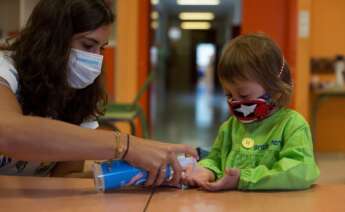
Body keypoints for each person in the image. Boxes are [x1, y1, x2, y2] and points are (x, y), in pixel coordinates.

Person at [0, 0, 197, 187]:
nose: (96, 59)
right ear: (51, 39)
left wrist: (135, 174)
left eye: (101, 48)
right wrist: (127, 146)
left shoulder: (78, 92)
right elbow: (7, 133)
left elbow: (64, 176)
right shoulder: (5, 69)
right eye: (87, 45)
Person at [182, 33, 320, 191]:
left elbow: (300, 170)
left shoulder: (293, 125)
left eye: (244, 95)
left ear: (275, 91)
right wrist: (207, 170)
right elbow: (215, 159)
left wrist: (244, 178)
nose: (235, 102)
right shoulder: (230, 127)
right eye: (229, 95)